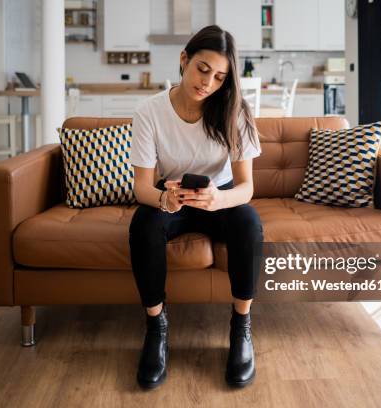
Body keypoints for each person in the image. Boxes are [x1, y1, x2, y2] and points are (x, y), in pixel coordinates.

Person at [129, 24, 264, 389]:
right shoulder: (149, 111)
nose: (208, 83)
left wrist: (219, 199)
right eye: (203, 69)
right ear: (184, 59)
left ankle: (241, 329)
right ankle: (156, 329)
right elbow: (141, 186)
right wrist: (163, 198)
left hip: (219, 198)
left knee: (249, 224)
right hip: (171, 197)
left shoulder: (234, 111)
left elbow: (247, 187)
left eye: (220, 77)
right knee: (143, 225)